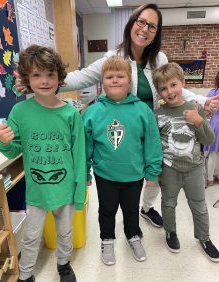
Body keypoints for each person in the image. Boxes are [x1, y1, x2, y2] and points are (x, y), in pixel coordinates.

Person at [15, 3, 219, 229]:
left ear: (156, 33)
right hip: (122, 127)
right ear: (132, 23)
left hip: (151, 125)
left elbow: (176, 86)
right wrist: (40, 83)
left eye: (152, 26)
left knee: (155, 171)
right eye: (141, 22)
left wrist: (202, 101)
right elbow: (80, 78)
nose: (145, 29)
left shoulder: (159, 59)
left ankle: (147, 207)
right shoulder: (112, 58)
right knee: (122, 176)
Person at [0, 45, 86, 282]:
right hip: (36, 190)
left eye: (50, 74)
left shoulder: (70, 113)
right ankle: (25, 276)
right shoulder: (20, 112)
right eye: (36, 75)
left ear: (59, 78)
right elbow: (13, 151)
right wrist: (3, 140)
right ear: (26, 79)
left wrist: (80, 191)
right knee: (31, 237)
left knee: (65, 233)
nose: (44, 81)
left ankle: (63, 264)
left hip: (65, 189)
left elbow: (78, 155)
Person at [82, 55, 162, 265]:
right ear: (102, 82)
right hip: (105, 174)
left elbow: (152, 143)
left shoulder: (142, 110)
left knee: (131, 209)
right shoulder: (92, 112)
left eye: (120, 76)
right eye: (109, 77)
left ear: (129, 81)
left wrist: (152, 171)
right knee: (106, 210)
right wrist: (85, 171)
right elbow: (85, 145)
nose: (115, 80)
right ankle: (107, 239)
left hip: (134, 174)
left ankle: (133, 235)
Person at [153, 62, 219, 262]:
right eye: (163, 88)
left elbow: (209, 140)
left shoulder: (196, 107)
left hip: (194, 169)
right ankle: (170, 232)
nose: (169, 91)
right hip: (169, 169)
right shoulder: (158, 114)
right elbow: (154, 145)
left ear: (182, 82)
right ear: (158, 92)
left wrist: (198, 121)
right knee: (168, 203)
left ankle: (205, 238)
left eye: (173, 85)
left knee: (199, 206)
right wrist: (154, 169)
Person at [203, 71, 219, 186]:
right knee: (214, 153)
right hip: (215, 123)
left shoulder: (212, 92)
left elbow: (205, 111)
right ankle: (216, 175)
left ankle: (209, 179)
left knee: (212, 153)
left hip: (214, 124)